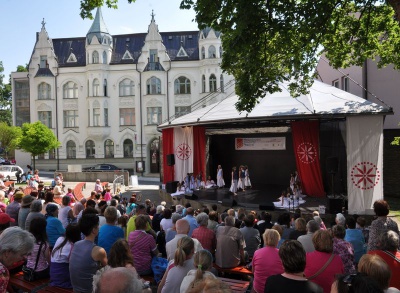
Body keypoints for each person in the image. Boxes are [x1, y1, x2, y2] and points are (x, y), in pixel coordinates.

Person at [69, 213, 108, 293]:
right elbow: (108, 270)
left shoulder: (76, 244)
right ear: (94, 230)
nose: (99, 227)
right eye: (97, 225)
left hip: (75, 289)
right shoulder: (99, 251)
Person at [252, 229, 284, 293]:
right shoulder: (282, 254)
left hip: (258, 288)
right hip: (275, 289)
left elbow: (253, 271)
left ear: (265, 239)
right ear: (277, 240)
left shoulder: (257, 252)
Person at [50, 224, 81, 288]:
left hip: (53, 273)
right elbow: (74, 265)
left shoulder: (60, 239)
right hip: (62, 276)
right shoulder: (72, 246)